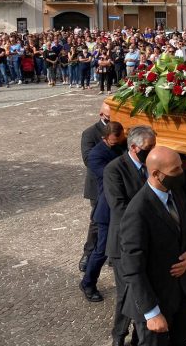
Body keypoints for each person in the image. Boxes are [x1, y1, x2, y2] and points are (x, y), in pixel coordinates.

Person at [120, 146, 186, 346]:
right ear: (156, 174)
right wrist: (152, 313)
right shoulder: (138, 212)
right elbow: (132, 268)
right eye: (175, 170)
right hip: (154, 299)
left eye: (180, 167)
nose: (181, 173)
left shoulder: (176, 192)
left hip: (179, 293)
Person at [103, 125, 155, 346]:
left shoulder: (152, 166)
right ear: (133, 147)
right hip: (123, 243)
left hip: (148, 241)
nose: (152, 151)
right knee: (129, 293)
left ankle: (134, 337)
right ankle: (120, 336)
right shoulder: (114, 169)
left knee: (141, 291)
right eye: (148, 147)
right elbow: (119, 207)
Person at [81, 121, 125, 303]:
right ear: (104, 138)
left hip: (123, 208)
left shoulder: (122, 145)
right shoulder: (96, 155)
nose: (117, 143)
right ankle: (88, 282)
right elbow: (111, 176)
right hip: (107, 210)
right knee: (101, 250)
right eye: (113, 142)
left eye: (119, 140)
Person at [78, 103, 112, 273]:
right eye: (109, 116)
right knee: (97, 222)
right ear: (101, 114)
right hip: (98, 185)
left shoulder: (121, 130)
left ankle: (113, 253)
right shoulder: (90, 133)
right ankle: (88, 253)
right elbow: (88, 160)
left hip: (116, 184)